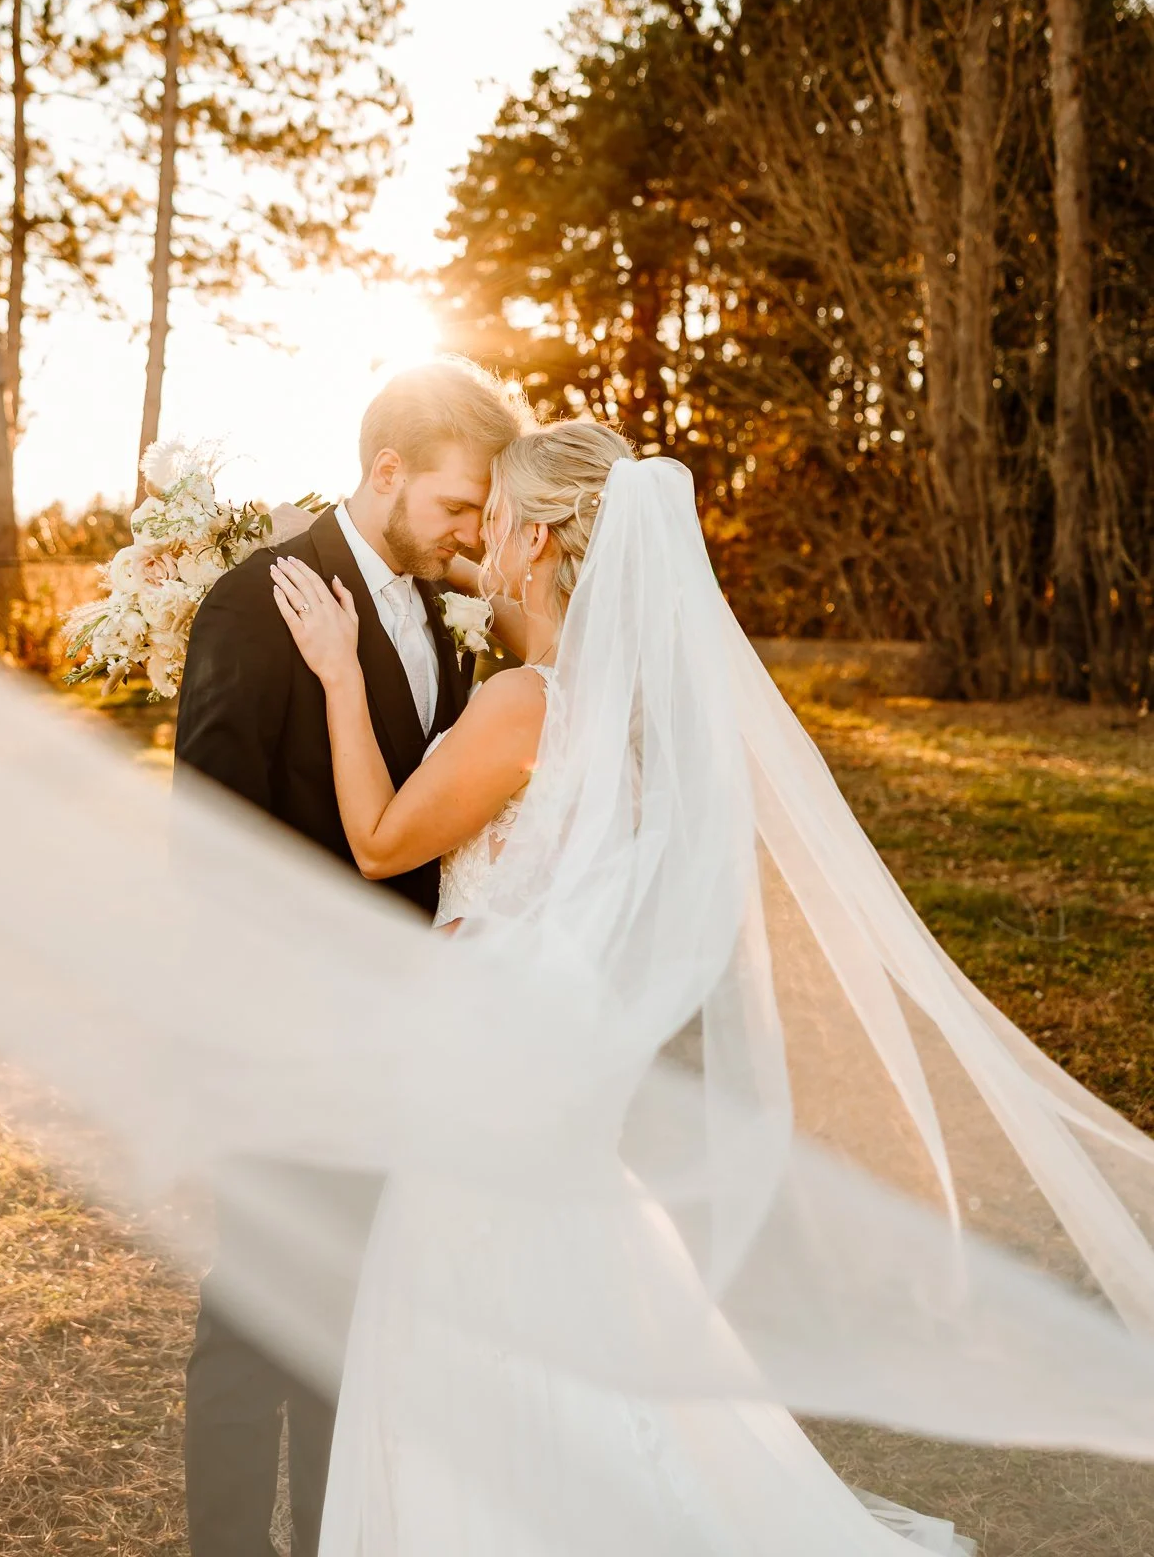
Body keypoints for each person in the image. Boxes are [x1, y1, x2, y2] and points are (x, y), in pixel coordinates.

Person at [271, 419, 976, 1554]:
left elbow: (379, 837)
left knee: (470, 1314)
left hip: (485, 1066)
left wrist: (342, 673)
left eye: (491, 519)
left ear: (540, 537)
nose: (474, 539)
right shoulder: (617, 704)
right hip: (544, 1062)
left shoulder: (520, 705)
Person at [172, 357, 529, 1557]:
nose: (474, 531)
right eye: (461, 504)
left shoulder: (440, 615)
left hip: (403, 1041)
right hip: (284, 1031)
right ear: (388, 471)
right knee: (259, 1315)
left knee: (353, 1321)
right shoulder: (255, 600)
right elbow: (212, 834)